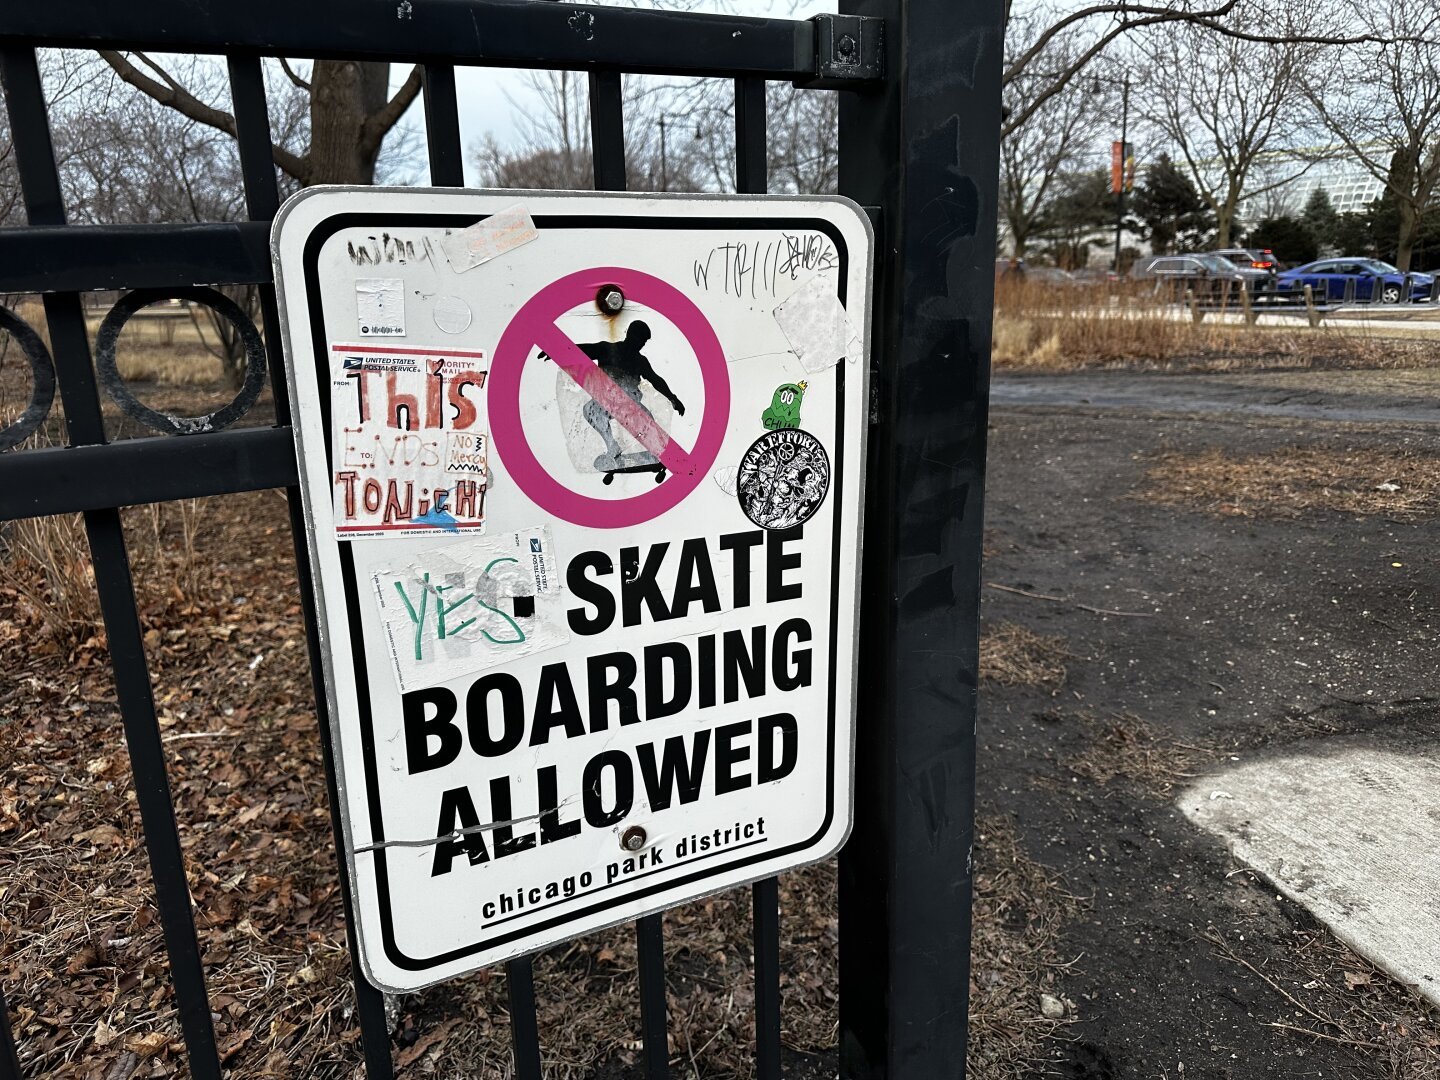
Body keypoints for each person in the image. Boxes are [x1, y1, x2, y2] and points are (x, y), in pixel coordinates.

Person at [573, 321, 686, 468]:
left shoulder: (640, 361)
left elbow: (656, 380)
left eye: (644, 342)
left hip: (629, 404)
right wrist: (557, 349)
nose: (642, 345)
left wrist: (673, 398)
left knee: (647, 420)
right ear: (631, 335)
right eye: (641, 340)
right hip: (606, 402)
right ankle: (612, 446)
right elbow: (585, 349)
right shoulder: (607, 348)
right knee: (589, 410)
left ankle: (657, 448)